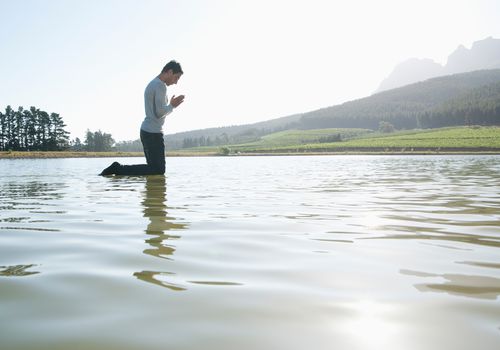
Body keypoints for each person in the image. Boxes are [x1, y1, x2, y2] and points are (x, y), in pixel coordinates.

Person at [100, 60, 185, 176]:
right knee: (158, 170)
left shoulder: (154, 83)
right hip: (153, 133)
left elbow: (158, 111)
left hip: (148, 131)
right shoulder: (160, 85)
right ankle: (118, 168)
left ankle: (121, 171)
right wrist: (172, 106)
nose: (176, 82)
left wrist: (169, 106)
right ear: (170, 72)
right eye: (177, 78)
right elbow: (159, 113)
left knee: (154, 169)